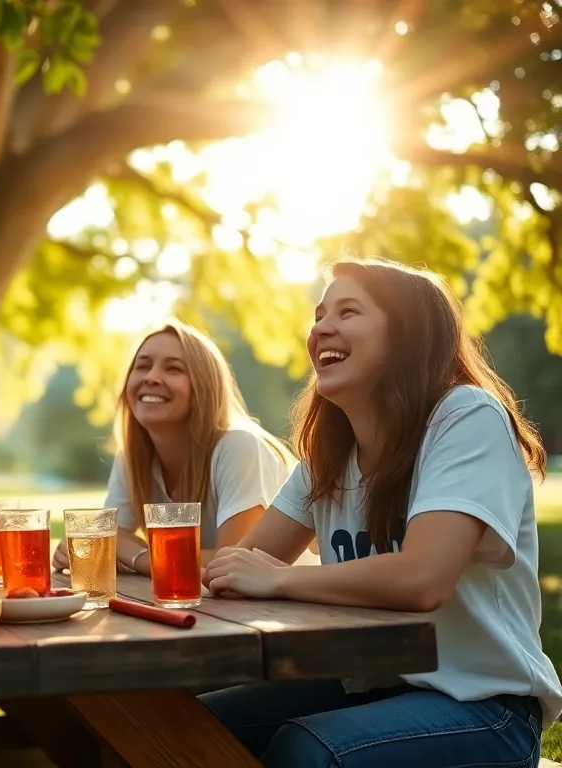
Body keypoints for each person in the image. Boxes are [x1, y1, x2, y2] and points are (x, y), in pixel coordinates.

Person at [199, 257, 560, 767]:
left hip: (484, 706)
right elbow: (240, 566)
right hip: (367, 686)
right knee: (190, 725)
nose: (323, 326)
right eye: (320, 314)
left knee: (306, 751)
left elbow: (422, 577)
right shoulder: (328, 455)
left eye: (349, 311)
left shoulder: (465, 416)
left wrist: (278, 580)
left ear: (407, 335)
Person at [53, 321, 296, 574]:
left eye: (173, 369)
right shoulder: (133, 457)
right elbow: (110, 541)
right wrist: (82, 550)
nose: (151, 377)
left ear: (204, 388)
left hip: (289, 612)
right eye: (143, 366)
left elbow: (233, 564)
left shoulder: (240, 447)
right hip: (208, 608)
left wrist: (138, 556)